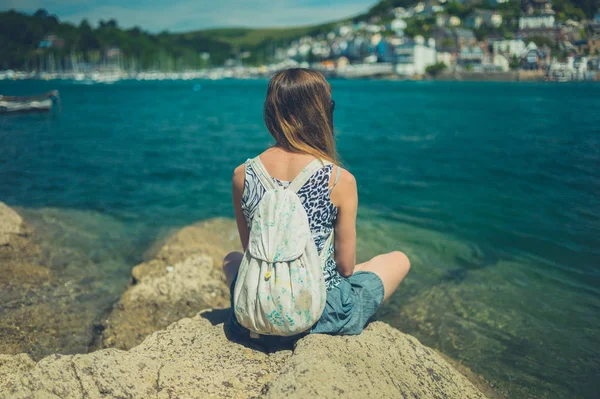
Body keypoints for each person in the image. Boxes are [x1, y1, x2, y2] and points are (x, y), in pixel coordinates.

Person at [223, 68, 410, 344]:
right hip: (320, 313)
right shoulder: (338, 179)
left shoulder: (243, 174)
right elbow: (345, 268)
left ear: (271, 113)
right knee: (398, 260)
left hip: (256, 312)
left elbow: (251, 251)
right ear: (321, 113)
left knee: (230, 260)